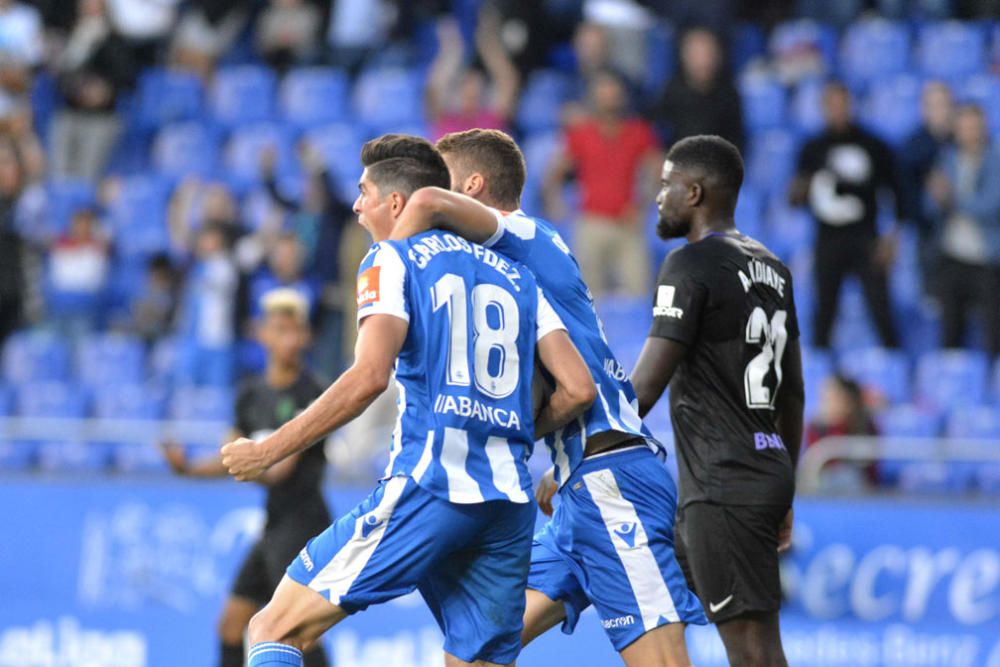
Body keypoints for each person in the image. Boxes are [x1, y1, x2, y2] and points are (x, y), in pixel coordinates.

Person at [220, 134, 597, 667]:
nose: (355, 205)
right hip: (508, 502)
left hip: (433, 484)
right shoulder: (518, 276)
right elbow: (579, 388)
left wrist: (269, 450)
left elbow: (370, 377)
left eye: (364, 192)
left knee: (273, 626)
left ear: (396, 204)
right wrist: (504, 430)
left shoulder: (391, 259)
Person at [389, 128, 706, 667]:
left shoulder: (516, 232)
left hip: (613, 483)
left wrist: (388, 267)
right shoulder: (522, 261)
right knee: (473, 657)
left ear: (472, 184)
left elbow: (423, 201)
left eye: (444, 179)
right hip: (578, 488)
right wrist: (557, 460)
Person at [631, 135, 805, 667]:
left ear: (696, 191)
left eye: (667, 185)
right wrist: (785, 480)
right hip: (759, 470)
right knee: (754, 643)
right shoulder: (773, 268)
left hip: (722, 479)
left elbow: (644, 388)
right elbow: (793, 394)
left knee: (752, 653)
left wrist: (583, 443)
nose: (658, 196)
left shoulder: (689, 265)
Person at [161, 288, 331, 667]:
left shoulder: (312, 392)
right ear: (263, 334)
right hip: (274, 525)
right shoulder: (250, 394)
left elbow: (278, 471)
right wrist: (187, 468)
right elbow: (230, 457)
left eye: (295, 330)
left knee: (300, 631)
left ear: (305, 337)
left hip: (304, 525)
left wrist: (244, 462)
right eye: (279, 329)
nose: (288, 338)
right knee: (231, 623)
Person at [789, 80, 900, 350]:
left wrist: (891, 238)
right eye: (832, 105)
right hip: (828, 239)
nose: (838, 110)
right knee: (824, 311)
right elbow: (795, 199)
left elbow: (897, 193)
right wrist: (799, 190)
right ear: (823, 108)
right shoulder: (812, 148)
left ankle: (893, 363)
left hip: (866, 237)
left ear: (852, 105)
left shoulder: (874, 145)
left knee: (881, 310)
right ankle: (819, 374)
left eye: (843, 104)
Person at [543, 70, 661, 298]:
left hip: (628, 224)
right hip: (591, 222)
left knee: (639, 293)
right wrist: (555, 203)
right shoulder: (581, 133)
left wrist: (643, 205)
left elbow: (658, 172)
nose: (608, 101)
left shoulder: (639, 132)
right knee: (588, 298)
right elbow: (555, 172)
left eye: (612, 95)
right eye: (603, 96)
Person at [925, 103, 1000, 356]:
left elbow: (991, 205)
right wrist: (938, 198)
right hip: (952, 257)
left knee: (994, 329)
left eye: (975, 127)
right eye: (965, 127)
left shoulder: (995, 159)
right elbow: (930, 206)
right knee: (950, 329)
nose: (970, 132)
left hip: (986, 259)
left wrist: (951, 199)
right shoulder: (947, 159)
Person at [424, 12, 518, 142]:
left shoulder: (492, 119)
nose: (470, 94)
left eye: (475, 93)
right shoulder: (446, 118)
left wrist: (489, 45)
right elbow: (434, 87)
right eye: (465, 89)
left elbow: (507, 80)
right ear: (456, 93)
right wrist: (452, 50)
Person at [651, 26, 745, 152]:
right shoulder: (669, 94)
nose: (703, 61)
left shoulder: (730, 96)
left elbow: (736, 145)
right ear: (683, 56)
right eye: (696, 54)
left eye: (709, 53)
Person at [897, 81, 954, 286]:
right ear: (924, 109)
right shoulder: (912, 147)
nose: (941, 111)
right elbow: (905, 194)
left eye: (945, 104)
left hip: (968, 227)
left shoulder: (964, 140)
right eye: (934, 105)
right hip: (929, 229)